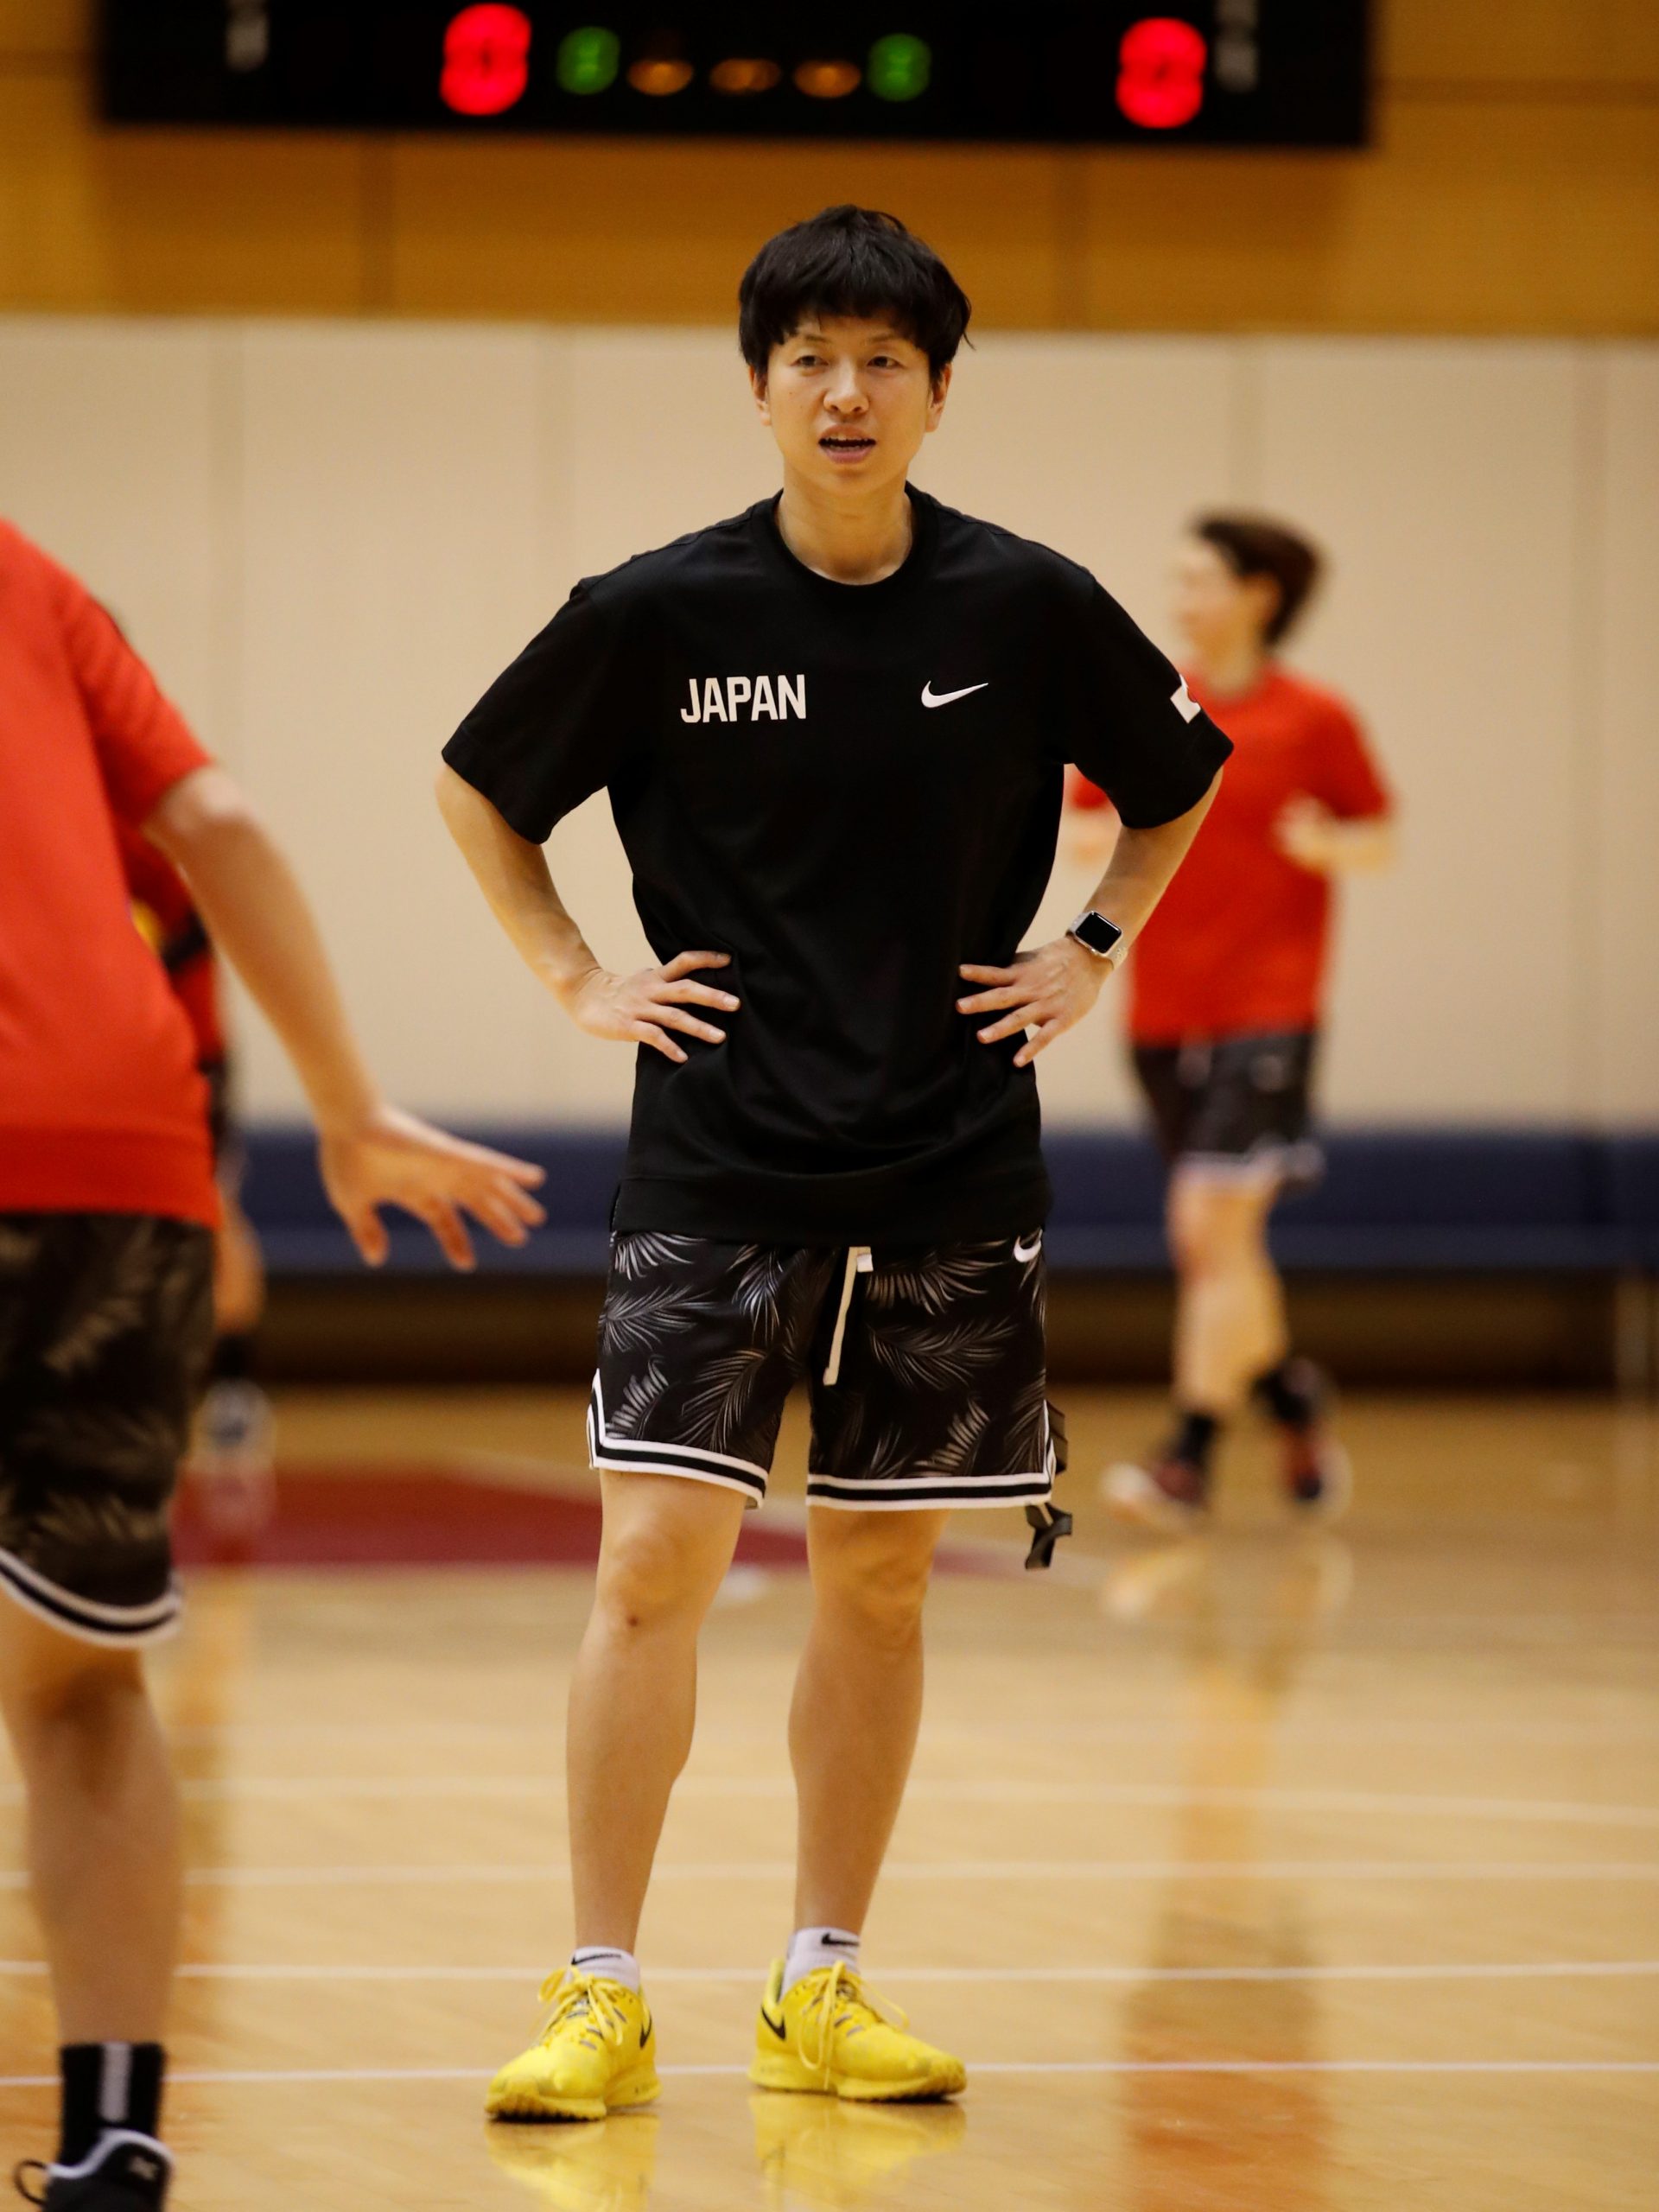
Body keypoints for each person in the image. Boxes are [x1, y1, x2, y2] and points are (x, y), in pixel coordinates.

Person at [437, 204, 1231, 2122]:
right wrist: (575, 976)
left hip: (953, 1171)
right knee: (651, 1564)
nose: (848, 392)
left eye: (885, 361)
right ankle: (602, 1986)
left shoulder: (1027, 604)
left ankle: (821, 1978)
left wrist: (1092, 945)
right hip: (715, 1167)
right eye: (812, 359)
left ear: (940, 391)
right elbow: (479, 784)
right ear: (760, 386)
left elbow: (1182, 777)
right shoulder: (658, 612)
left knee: (880, 1586)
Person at [0, 518, 547, 2211]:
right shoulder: (28, 575)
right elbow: (222, 824)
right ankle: (115, 2137)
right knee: (80, 1682)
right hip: (119, 1162)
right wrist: (348, 1105)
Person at [1069, 514, 1394, 1530]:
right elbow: (1080, 821)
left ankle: (1189, 1458)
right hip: (1164, 1013)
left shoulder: (1315, 717)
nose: (1181, 599)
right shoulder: (1157, 702)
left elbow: (1378, 836)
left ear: (1260, 595)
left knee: (1207, 1230)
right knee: (1223, 1249)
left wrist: (1329, 843)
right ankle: (1290, 1395)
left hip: (1271, 1013)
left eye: (1201, 579)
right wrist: (1100, 834)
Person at [120, 822, 276, 1558]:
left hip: (185, 1063)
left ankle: (235, 1390)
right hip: (95, 1073)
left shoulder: (152, 868)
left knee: (216, 1220)